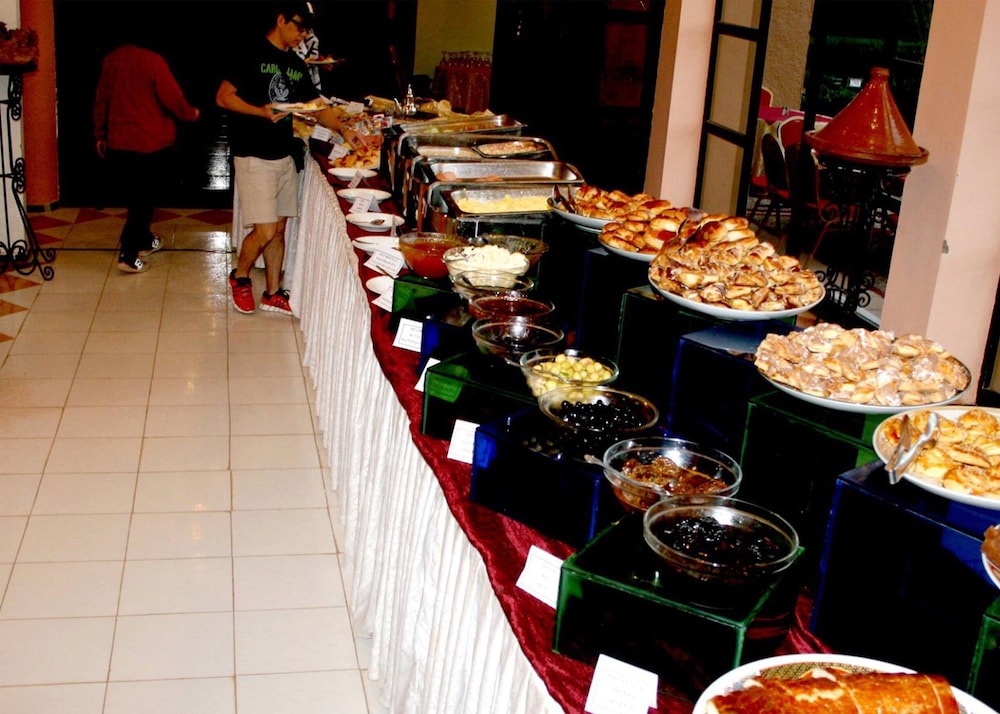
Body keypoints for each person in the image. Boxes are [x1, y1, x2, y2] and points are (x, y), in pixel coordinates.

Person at [217, 1, 368, 315]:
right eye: (299, 26)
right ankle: (240, 276)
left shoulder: (295, 64)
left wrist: (344, 130)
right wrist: (260, 112)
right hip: (254, 154)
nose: (303, 34)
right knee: (265, 230)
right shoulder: (251, 53)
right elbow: (223, 97)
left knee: (279, 229)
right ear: (280, 19)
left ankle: (273, 292)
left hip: (285, 153)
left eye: (306, 29)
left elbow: (317, 106)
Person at [93, 39, 200, 273]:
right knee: (143, 200)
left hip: (120, 140)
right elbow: (172, 97)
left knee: (137, 195)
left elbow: (102, 99)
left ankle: (145, 239)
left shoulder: (112, 60)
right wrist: (190, 114)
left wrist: (100, 133)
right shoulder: (153, 61)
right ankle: (129, 254)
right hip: (150, 141)